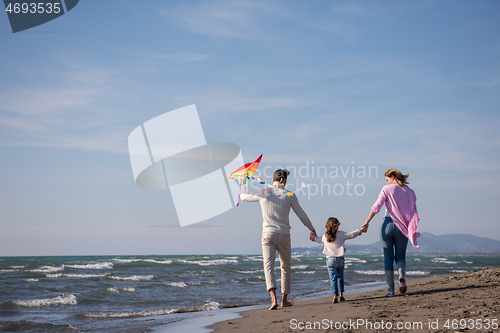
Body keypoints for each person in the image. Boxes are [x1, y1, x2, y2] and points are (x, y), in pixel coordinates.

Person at [240, 169, 317, 310]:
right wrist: (311, 229)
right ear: (283, 180)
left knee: (268, 266)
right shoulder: (289, 195)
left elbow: (243, 196)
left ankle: (273, 299)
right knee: (285, 267)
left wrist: (244, 181)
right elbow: (302, 215)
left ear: (274, 178)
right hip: (284, 234)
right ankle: (284, 300)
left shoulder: (264, 192)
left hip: (267, 234)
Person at [361, 168, 420, 297]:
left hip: (387, 225)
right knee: (400, 256)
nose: (387, 182)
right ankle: (401, 277)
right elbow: (413, 211)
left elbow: (377, 206)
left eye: (387, 179)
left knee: (388, 259)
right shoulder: (410, 192)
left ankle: (390, 291)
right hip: (402, 227)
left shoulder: (386, 189)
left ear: (392, 176)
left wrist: (367, 222)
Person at [312, 217, 362, 303]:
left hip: (330, 260)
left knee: (333, 278)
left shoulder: (325, 236)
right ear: (337, 226)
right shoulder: (341, 234)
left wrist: (313, 237)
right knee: (340, 277)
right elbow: (352, 234)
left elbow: (318, 240)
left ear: (326, 226)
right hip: (340, 259)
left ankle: (335, 296)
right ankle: (341, 295)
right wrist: (360, 231)